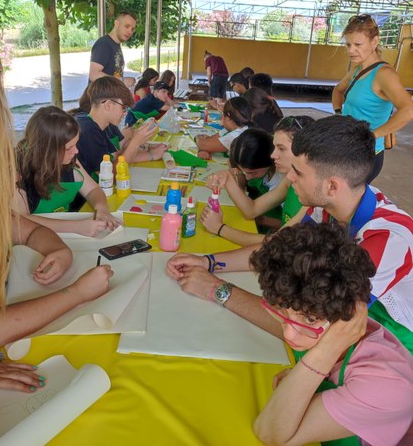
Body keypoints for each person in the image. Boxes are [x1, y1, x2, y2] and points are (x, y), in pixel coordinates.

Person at [167, 115, 413, 353]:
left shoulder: (389, 240)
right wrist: (208, 262)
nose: (290, 177)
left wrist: (216, 289)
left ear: (332, 185)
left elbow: (308, 329)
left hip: (394, 342)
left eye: (299, 172)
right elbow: (276, 248)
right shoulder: (330, 205)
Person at [169, 223, 413, 445]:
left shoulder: (386, 385)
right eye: (281, 311)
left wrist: (315, 361)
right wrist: (215, 288)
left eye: (308, 319)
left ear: (347, 315)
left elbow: (271, 434)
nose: (290, 334)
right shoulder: (328, 316)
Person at [0, 46, 113, 391]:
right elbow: (21, 218)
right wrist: (76, 292)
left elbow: (22, 225)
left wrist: (98, 211)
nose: (78, 153)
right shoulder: (18, 174)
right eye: (71, 147)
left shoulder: (69, 165)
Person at [201, 116, 312, 245]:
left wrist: (219, 228)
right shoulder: (290, 179)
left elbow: (279, 243)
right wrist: (228, 178)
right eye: (275, 147)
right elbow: (251, 210)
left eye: (281, 148)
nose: (272, 155)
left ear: (305, 149)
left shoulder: (313, 198)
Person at [13, 106, 121, 237]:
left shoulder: (70, 160)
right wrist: (75, 227)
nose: (76, 151)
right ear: (47, 150)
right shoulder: (16, 171)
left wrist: (102, 209)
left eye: (76, 144)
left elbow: (93, 190)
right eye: (69, 147)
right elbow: (20, 220)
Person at [332, 14, 413, 182]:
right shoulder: (357, 70)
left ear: (374, 42)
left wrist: (372, 136)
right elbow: (338, 91)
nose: (351, 50)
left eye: (357, 44)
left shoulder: (384, 74)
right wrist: (338, 114)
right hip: (348, 148)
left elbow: (408, 110)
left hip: (366, 154)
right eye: (348, 44)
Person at [75, 76, 166, 176]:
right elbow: (109, 176)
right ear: (108, 105)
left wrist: (149, 151)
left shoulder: (105, 124)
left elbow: (117, 156)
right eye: (124, 108)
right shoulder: (88, 130)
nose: (125, 113)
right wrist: (136, 142)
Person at [89, 11, 136, 89]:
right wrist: (122, 81)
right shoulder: (104, 44)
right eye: (127, 26)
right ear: (117, 24)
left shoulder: (115, 45)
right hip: (100, 99)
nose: (129, 31)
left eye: (132, 29)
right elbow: (94, 74)